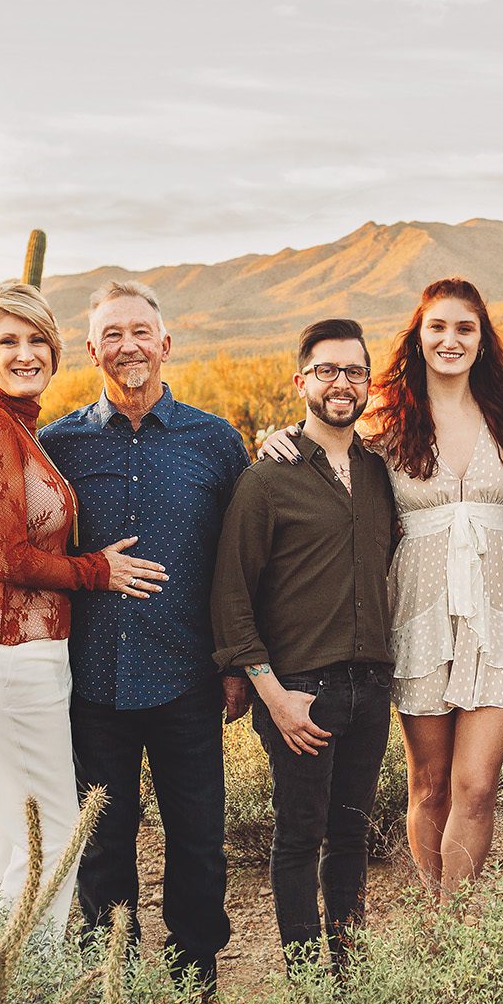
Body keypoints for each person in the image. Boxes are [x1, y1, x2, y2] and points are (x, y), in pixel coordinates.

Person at [256, 280, 503, 903]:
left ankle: (452, 924)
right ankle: (436, 916)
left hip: (494, 620)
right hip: (417, 618)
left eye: (465, 328)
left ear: (483, 338)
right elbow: (325, 438)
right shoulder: (386, 419)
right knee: (430, 783)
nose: (451, 339)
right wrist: (277, 438)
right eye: (438, 327)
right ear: (419, 336)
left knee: (478, 786)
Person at [40, 282, 252, 993]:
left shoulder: (216, 442)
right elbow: (11, 529)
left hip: (187, 677)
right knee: (103, 846)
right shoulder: (56, 444)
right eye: (112, 334)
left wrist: (238, 665)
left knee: (199, 842)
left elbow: (243, 558)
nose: (128, 345)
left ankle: (196, 984)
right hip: (91, 681)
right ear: (93, 348)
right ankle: (112, 990)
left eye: (141, 331)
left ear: (165, 344)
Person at [0, 281, 165, 929]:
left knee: (17, 830)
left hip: (11, 649)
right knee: (56, 832)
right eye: (8, 341)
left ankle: (0, 990)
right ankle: (30, 992)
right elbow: (10, 559)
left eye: (38, 339)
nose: (26, 353)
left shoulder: (14, 427)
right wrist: (99, 570)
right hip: (4, 653)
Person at [212, 319, 398, 971]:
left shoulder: (380, 475)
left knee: (351, 834)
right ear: (301, 381)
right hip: (298, 691)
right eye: (327, 370)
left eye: (353, 371)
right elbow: (232, 594)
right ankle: (304, 985)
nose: (341, 383)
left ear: (367, 383)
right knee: (298, 837)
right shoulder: (269, 478)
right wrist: (274, 695)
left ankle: (347, 976)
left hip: (370, 689)